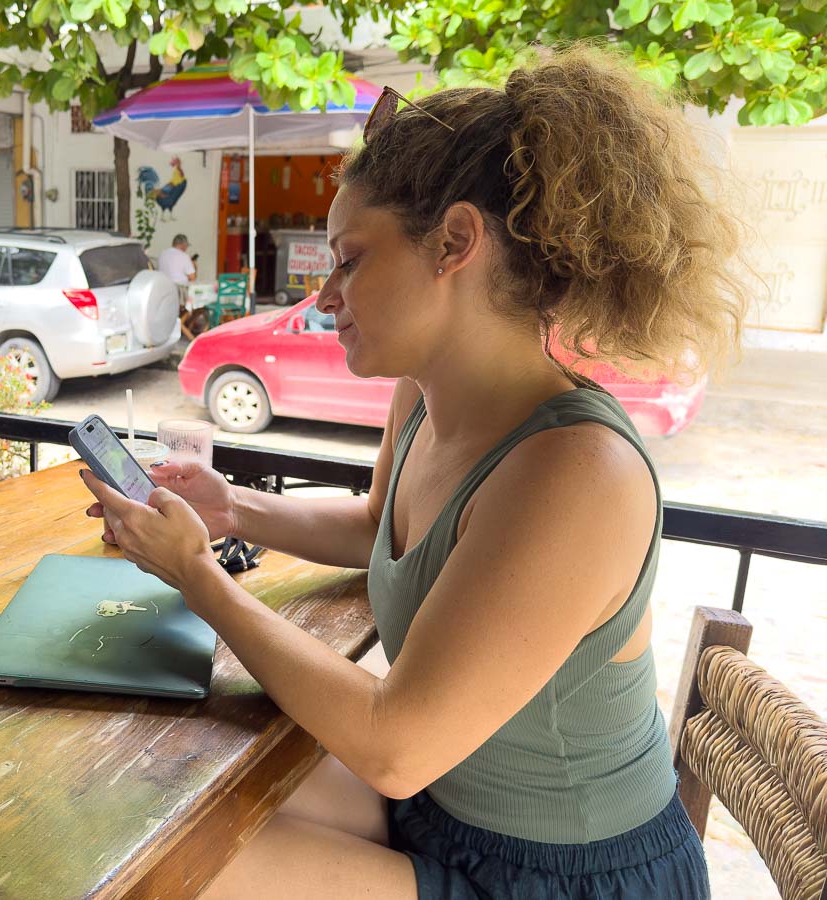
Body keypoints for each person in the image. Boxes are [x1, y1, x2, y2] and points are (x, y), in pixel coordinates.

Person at [81, 45, 746, 899]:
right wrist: (231, 510)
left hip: (563, 877)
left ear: (455, 243)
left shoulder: (579, 473)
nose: (324, 297)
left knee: (171, 871)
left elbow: (396, 746)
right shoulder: (423, 398)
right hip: (446, 810)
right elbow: (374, 526)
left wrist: (196, 575)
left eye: (350, 260)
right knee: (163, 790)